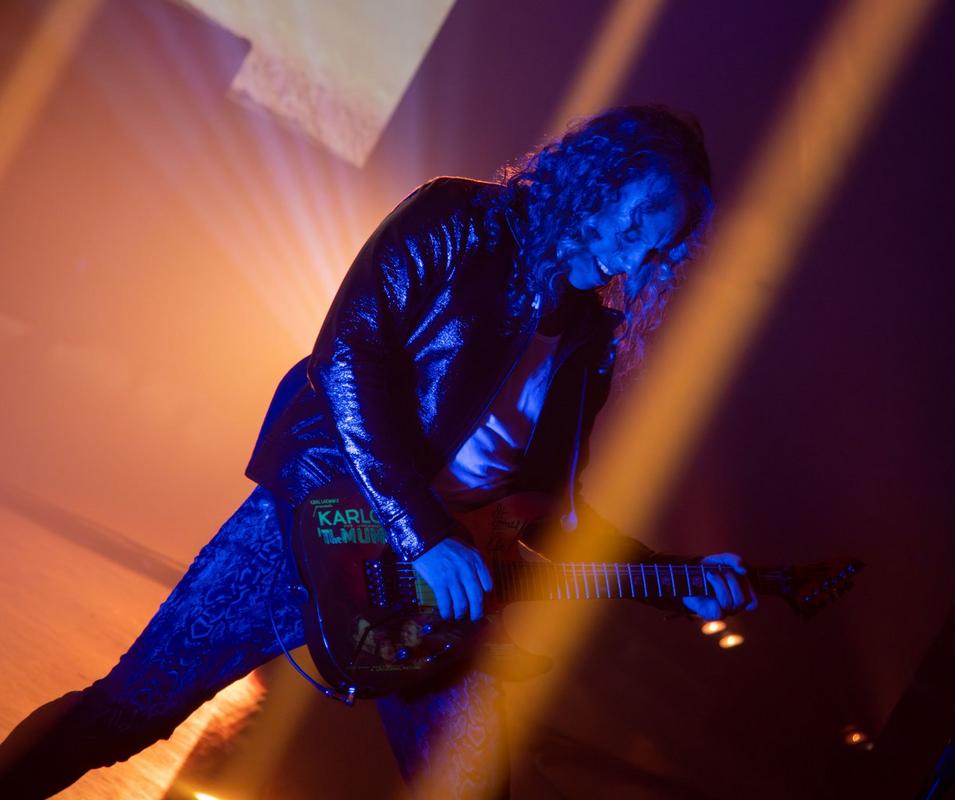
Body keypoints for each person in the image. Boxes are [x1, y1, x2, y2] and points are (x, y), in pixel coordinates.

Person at [0, 104, 755, 798]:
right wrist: (422, 531)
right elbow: (347, 356)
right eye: (637, 220)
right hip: (319, 521)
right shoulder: (458, 220)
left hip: (440, 588)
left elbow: (550, 509)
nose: (637, 253)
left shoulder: (588, 344)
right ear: (597, 177)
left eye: (660, 245)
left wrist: (675, 578)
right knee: (125, 714)